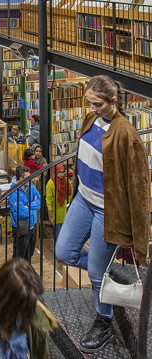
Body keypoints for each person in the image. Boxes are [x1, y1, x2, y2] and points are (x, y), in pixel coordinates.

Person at [55, 75, 149, 353]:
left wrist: (139, 231)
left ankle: (103, 321)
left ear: (113, 101)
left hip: (106, 210)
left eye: (97, 103)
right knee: (64, 252)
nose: (92, 107)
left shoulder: (126, 135)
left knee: (95, 273)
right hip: (83, 198)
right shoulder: (90, 119)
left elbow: (138, 185)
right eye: (89, 102)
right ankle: (107, 273)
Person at [8, 166, 41, 261]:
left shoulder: (30, 185)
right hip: (21, 228)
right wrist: (33, 207)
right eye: (27, 177)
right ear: (21, 179)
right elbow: (22, 213)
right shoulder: (13, 192)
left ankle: (26, 274)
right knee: (19, 257)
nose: (30, 179)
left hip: (32, 225)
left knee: (29, 255)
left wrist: (29, 206)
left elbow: (39, 201)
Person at [45, 163, 72, 242]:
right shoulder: (50, 183)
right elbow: (49, 201)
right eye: (59, 172)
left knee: (67, 237)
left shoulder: (67, 181)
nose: (61, 174)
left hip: (66, 214)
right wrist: (50, 216)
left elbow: (71, 194)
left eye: (63, 172)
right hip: (56, 215)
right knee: (58, 238)